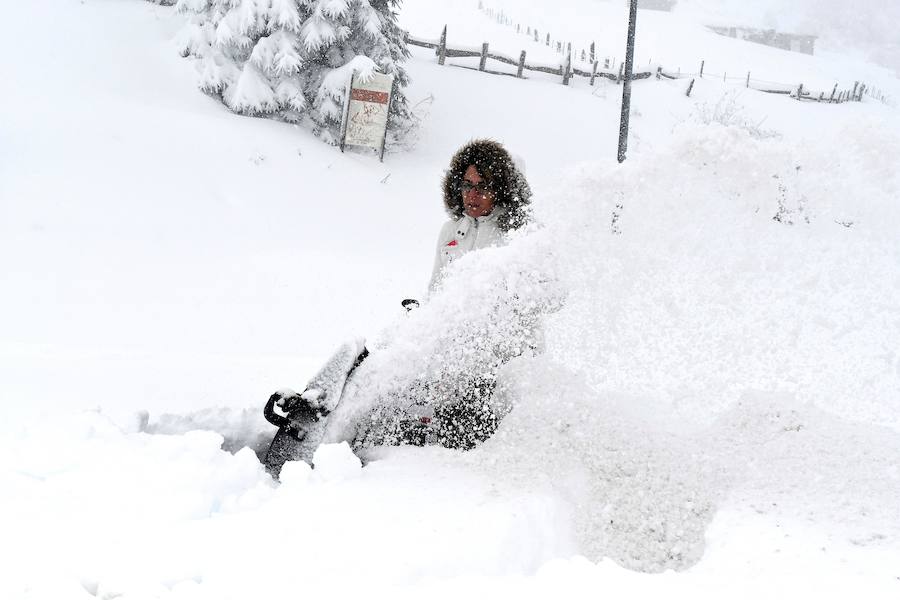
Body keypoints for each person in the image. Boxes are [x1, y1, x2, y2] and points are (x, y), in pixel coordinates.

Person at [429, 139, 533, 291]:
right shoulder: (450, 231)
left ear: (501, 191)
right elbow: (435, 290)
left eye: (483, 187)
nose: (472, 194)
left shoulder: (522, 236)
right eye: (467, 185)